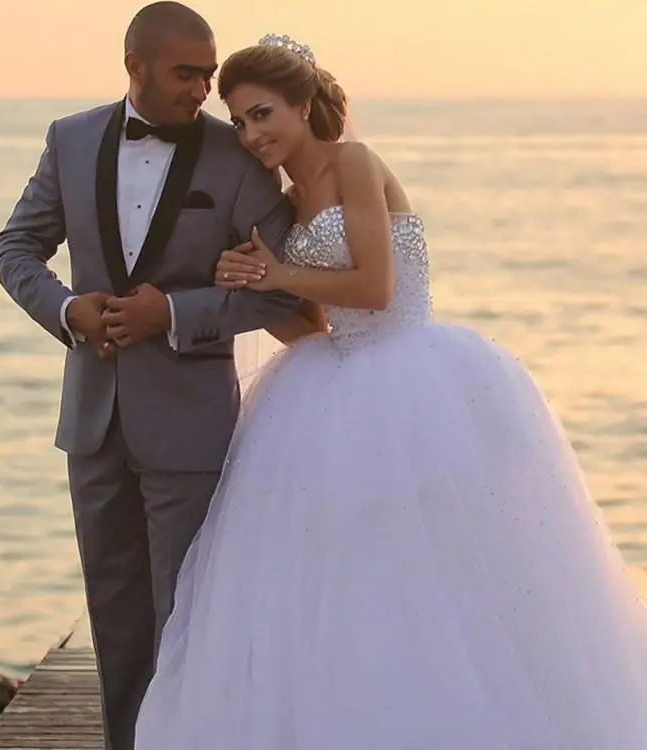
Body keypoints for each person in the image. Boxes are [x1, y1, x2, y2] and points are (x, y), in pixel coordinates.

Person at [133, 33, 647, 749]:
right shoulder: (284, 198)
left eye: (262, 114)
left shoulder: (354, 164)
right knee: (344, 574)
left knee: (441, 567)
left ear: (302, 103)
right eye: (242, 121)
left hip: (415, 378)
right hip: (336, 378)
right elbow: (318, 321)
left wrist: (279, 275)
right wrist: (255, 288)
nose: (252, 135)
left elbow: (375, 288)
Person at [0, 4, 300, 748]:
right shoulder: (70, 139)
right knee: (116, 619)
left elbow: (287, 287)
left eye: (207, 74)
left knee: (186, 618)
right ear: (135, 64)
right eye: (186, 73)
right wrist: (69, 311)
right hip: (94, 423)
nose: (202, 89)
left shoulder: (236, 158)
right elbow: (14, 250)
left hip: (190, 425)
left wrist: (176, 311)